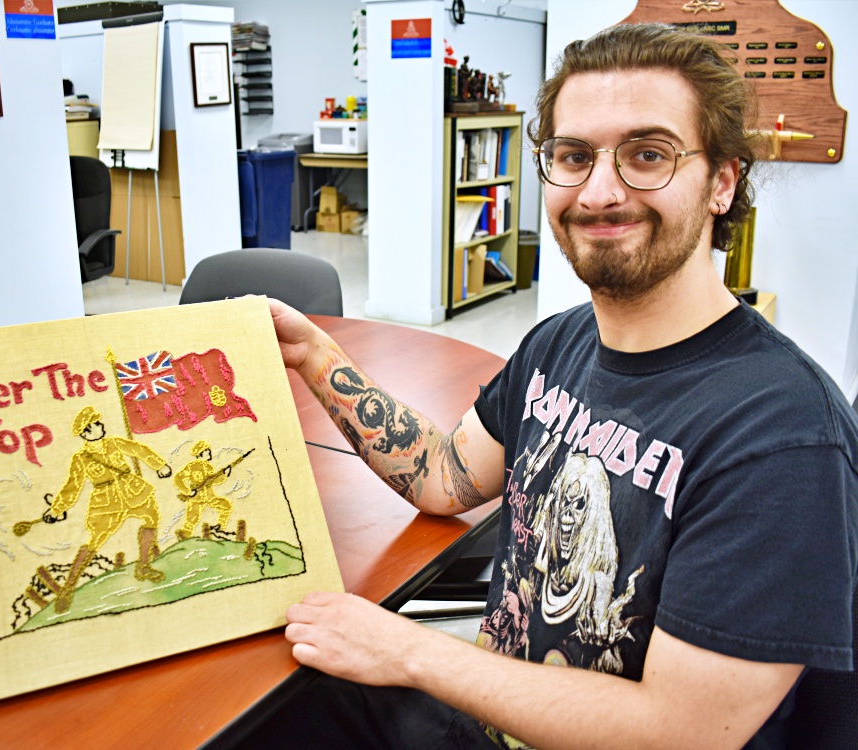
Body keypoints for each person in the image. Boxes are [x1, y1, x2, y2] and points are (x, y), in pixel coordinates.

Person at [247, 22, 858, 750]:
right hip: (483, 717)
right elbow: (445, 478)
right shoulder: (559, 342)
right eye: (573, 157)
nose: (600, 191)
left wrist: (407, 650)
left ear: (722, 181)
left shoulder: (783, 437)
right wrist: (314, 353)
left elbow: (680, 732)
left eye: (647, 155)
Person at [43, 406, 172, 612]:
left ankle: (143, 566)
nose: (101, 425)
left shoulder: (114, 443)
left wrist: (159, 465)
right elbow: (72, 486)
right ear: (86, 432)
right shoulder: (81, 458)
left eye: (98, 422)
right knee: (95, 541)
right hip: (106, 501)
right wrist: (56, 509)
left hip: (132, 490)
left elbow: (138, 450)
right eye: (95, 424)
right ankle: (68, 588)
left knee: (151, 517)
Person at [173, 439, 234, 539]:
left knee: (226, 506)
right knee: (192, 519)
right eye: (207, 450)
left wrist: (224, 475)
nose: (209, 452)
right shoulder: (191, 467)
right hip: (196, 498)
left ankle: (219, 528)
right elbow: (177, 478)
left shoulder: (209, 467)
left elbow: (213, 481)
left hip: (209, 497)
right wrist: (188, 491)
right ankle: (184, 536)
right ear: (200, 453)